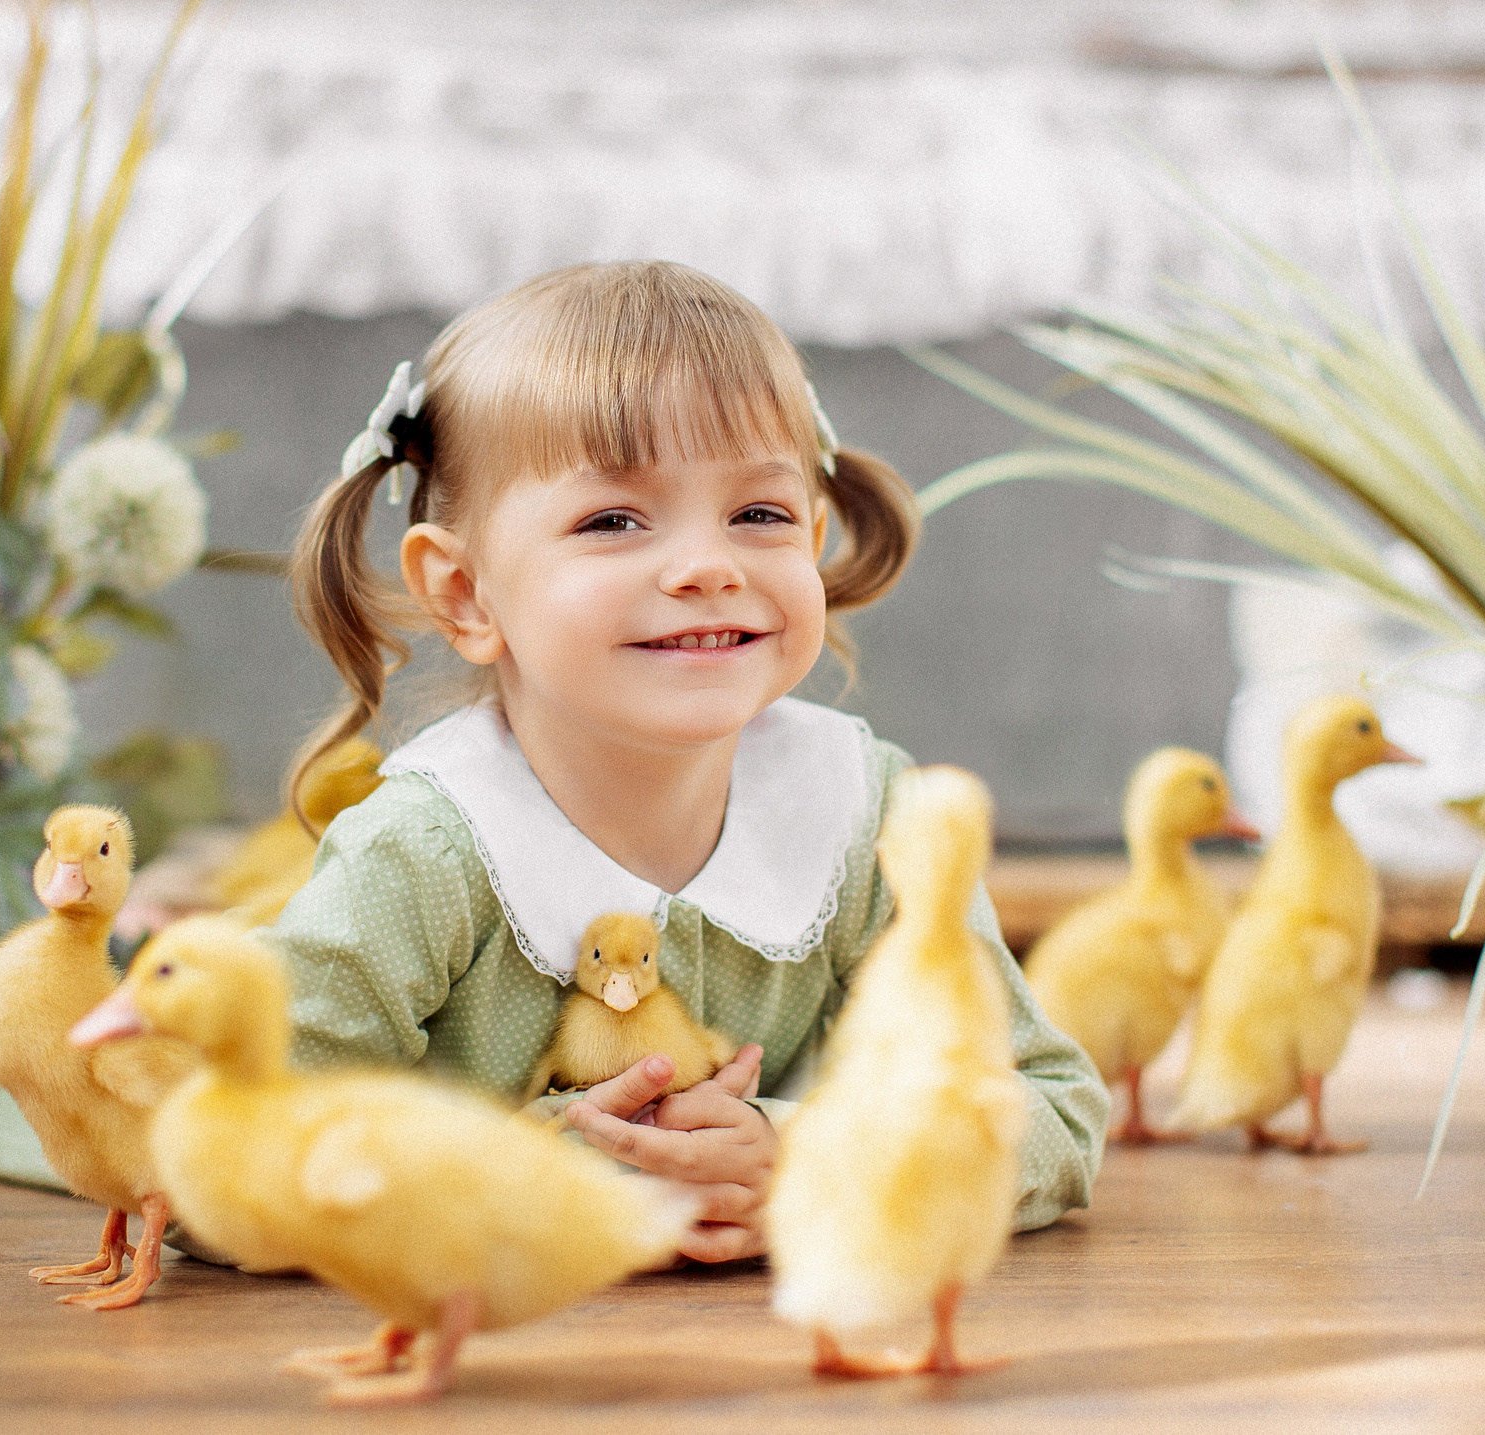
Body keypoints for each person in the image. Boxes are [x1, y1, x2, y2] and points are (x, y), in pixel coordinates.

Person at [263, 260, 1105, 1263]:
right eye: (612, 520)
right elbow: (221, 1157)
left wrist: (812, 1163)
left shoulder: (866, 813)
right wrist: (540, 1176)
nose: (711, 566)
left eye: (760, 514)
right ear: (464, 593)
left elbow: (1052, 1112)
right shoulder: (422, 855)